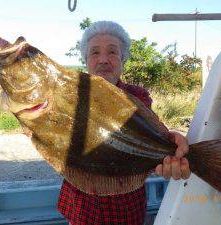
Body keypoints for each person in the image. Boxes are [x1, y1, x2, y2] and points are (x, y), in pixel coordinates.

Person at [58, 21, 191, 225]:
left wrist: (172, 137)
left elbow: (149, 133)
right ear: (86, 60)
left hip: (124, 207)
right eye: (94, 53)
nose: (103, 59)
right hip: (80, 205)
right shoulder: (70, 95)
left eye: (112, 52)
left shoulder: (138, 95)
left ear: (122, 59)